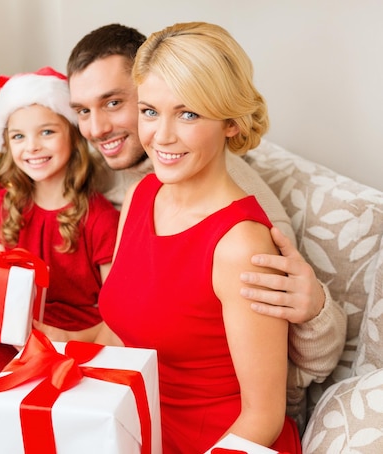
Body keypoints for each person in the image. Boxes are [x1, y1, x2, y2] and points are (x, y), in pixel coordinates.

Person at [63, 22, 346, 431]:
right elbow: (117, 332)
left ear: (230, 122)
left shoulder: (242, 243)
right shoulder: (143, 194)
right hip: (132, 424)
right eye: (149, 111)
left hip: (215, 438)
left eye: (188, 114)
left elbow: (262, 418)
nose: (161, 136)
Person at [0, 66, 120, 452]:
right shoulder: (4, 206)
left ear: (72, 134)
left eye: (47, 132)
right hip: (10, 336)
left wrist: (70, 338)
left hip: (72, 339)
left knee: (19, 416)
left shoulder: (100, 217)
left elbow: (118, 313)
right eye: (19, 136)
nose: (32, 147)